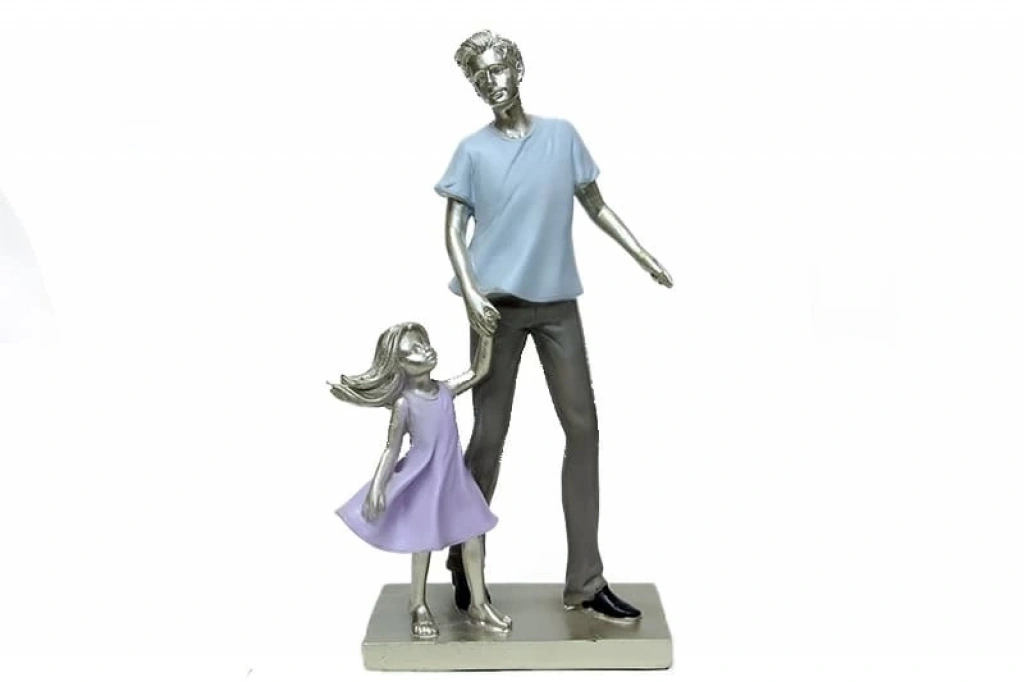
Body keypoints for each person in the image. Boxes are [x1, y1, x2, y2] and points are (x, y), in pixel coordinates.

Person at [435, 30, 673, 623]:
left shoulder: (561, 136)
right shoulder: (471, 152)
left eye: (497, 69)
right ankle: (463, 556)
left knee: (583, 429)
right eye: (479, 77)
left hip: (558, 305)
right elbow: (452, 231)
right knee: (490, 436)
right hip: (495, 309)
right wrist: (471, 295)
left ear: (517, 68)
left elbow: (596, 203)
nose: (491, 82)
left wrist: (641, 253)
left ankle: (586, 581)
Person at [330, 322, 511, 637]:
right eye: (413, 350)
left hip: (454, 477)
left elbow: (478, 371)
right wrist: (377, 487)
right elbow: (391, 448)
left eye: (423, 343)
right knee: (422, 543)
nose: (424, 350)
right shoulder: (405, 403)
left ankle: (479, 604)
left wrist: (485, 333)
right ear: (399, 365)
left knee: (474, 535)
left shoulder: (445, 391)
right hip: (424, 478)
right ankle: (417, 604)